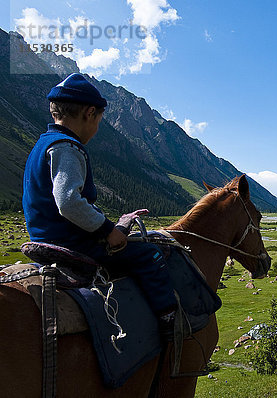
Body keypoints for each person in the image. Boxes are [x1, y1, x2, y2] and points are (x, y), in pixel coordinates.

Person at [22, 73, 177, 337]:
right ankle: (169, 324)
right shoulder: (66, 147)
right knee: (149, 255)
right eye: (100, 121)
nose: (97, 128)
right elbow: (68, 202)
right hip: (70, 242)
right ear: (90, 113)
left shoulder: (42, 144)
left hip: (46, 237)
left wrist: (118, 222)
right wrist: (109, 231)